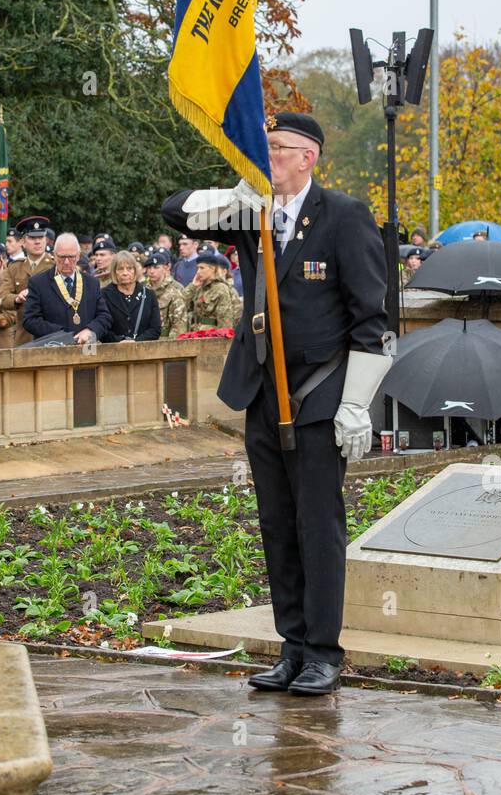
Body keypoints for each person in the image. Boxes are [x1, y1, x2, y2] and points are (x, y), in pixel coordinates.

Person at [163, 111, 390, 696]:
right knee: (276, 523)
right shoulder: (252, 214)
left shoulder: (344, 217)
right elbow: (173, 210)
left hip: (319, 394)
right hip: (263, 390)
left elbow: (374, 321)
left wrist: (357, 402)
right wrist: (234, 194)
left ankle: (322, 651)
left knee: (318, 524)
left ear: (308, 156)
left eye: (278, 149)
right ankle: (291, 645)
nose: (268, 159)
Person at [22, 232, 111, 345]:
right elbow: (30, 320)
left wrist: (91, 330)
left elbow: (104, 316)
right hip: (52, 349)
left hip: (86, 349)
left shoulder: (91, 283)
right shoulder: (38, 282)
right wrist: (62, 335)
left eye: (71, 257)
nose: (66, 262)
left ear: (78, 255)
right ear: (54, 255)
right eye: (62, 257)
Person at [2, 216, 55, 344]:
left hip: (50, 334)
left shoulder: (55, 266)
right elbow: (3, 297)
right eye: (32, 238)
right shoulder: (14, 267)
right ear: (23, 242)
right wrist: (17, 298)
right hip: (23, 335)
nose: (37, 242)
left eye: (41, 237)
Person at [102, 250, 161, 343]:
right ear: (114, 271)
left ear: (135, 270)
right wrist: (120, 341)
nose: (125, 273)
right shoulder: (104, 295)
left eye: (129, 268)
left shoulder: (149, 295)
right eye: (120, 269)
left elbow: (155, 329)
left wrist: (136, 341)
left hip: (143, 351)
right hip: (113, 352)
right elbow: (102, 328)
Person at [186, 248, 239, 330]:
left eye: (202, 268)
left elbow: (225, 322)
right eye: (198, 268)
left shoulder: (221, 288)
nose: (198, 272)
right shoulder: (198, 287)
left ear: (212, 269)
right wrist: (192, 286)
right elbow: (181, 305)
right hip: (195, 333)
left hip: (211, 336)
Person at [143, 248, 188, 340]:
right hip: (145, 340)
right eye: (149, 268)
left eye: (156, 267)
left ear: (165, 268)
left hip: (165, 340)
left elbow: (179, 325)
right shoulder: (143, 290)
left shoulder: (175, 290)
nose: (151, 271)